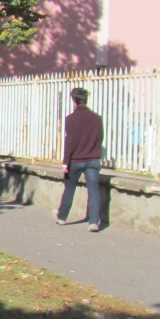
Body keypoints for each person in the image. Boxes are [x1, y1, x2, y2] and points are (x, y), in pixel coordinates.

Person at [57, 87, 104, 232]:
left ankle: (62, 217)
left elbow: (69, 141)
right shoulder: (97, 118)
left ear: (74, 101)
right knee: (94, 190)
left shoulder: (70, 119)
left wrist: (66, 162)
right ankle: (94, 222)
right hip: (93, 159)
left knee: (69, 189)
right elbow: (100, 138)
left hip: (76, 160)